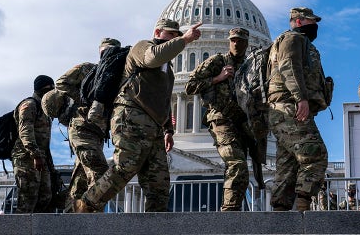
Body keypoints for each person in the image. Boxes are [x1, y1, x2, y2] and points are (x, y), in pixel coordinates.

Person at [75, 19, 202, 213]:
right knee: (125, 168)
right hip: (131, 117)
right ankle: (86, 204)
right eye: (171, 34)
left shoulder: (167, 70)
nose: (174, 38)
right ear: (158, 31)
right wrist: (184, 40)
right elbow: (152, 58)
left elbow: (164, 99)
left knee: (158, 183)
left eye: (176, 35)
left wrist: (168, 129)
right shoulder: (142, 47)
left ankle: (156, 224)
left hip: (154, 126)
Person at [267, 7, 330, 212]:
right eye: (312, 21)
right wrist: (300, 98)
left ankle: (280, 215)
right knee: (315, 154)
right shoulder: (292, 39)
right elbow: (289, 67)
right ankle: (303, 209)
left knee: (288, 166)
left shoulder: (303, 43)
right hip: (289, 106)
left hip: (285, 108)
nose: (316, 26)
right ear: (300, 21)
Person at [185, 27, 251, 211]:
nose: (236, 43)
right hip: (221, 119)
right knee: (236, 164)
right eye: (233, 40)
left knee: (241, 169)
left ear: (247, 43)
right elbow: (190, 87)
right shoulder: (218, 61)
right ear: (229, 42)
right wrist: (217, 78)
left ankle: (235, 208)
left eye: (240, 40)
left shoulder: (250, 67)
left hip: (243, 124)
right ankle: (229, 212)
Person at [55, 38, 121, 212]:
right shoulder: (87, 68)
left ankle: (72, 219)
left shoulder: (115, 74)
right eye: (105, 51)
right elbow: (61, 83)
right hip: (81, 127)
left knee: (80, 182)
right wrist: (85, 99)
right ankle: (93, 220)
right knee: (100, 173)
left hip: (97, 132)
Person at [12, 75, 55, 213]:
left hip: (41, 158)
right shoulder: (29, 105)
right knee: (27, 200)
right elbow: (25, 132)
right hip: (26, 157)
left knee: (45, 196)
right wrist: (35, 155)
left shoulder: (44, 108)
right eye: (50, 88)